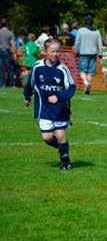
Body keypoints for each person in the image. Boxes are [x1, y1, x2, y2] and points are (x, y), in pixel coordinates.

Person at [23, 38, 76, 171]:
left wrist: (58, 96)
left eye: (58, 51)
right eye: (52, 51)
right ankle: (61, 147)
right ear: (45, 52)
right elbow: (30, 83)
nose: (55, 54)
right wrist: (27, 96)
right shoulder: (37, 67)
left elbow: (71, 88)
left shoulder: (62, 69)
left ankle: (65, 161)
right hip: (44, 108)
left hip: (60, 109)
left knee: (60, 135)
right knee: (47, 138)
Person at [74, 15, 103, 94]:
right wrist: (100, 54)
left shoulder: (80, 30)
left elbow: (77, 43)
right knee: (90, 71)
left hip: (83, 53)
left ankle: (85, 83)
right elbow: (100, 44)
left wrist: (76, 51)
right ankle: (88, 84)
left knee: (82, 70)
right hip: (93, 54)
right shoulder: (97, 31)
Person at [0, 18, 16, 88]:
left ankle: (2, 84)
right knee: (10, 68)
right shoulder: (10, 33)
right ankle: (12, 84)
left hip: (0, 50)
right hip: (7, 51)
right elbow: (12, 44)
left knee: (1, 68)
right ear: (7, 24)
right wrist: (14, 53)